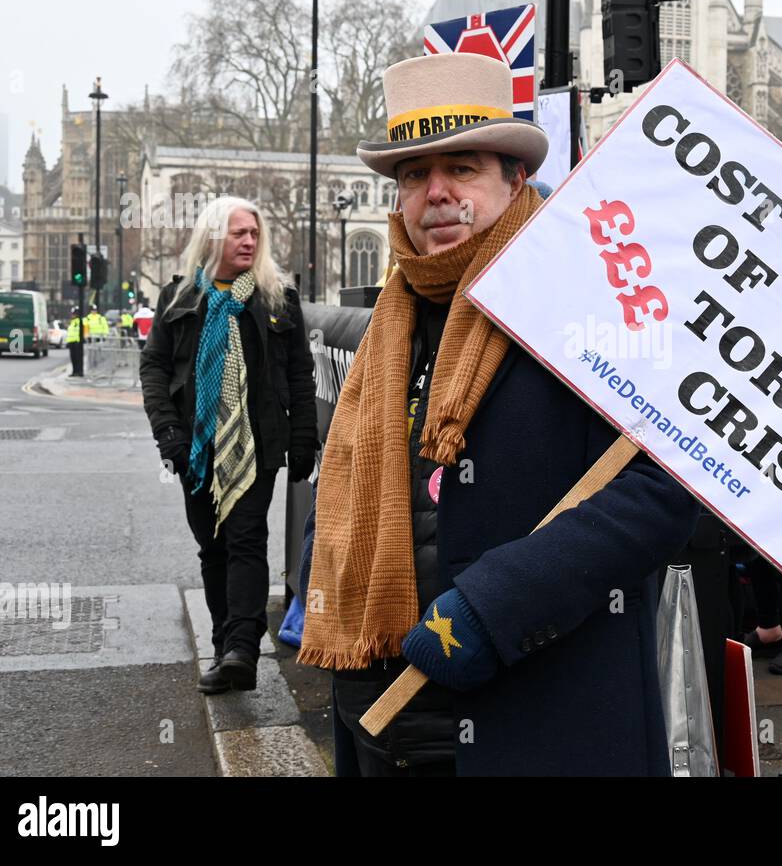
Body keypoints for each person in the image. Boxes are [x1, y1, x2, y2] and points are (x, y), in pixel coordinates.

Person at [297, 52, 699, 776]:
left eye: (464, 168)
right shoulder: (393, 319)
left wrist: (493, 608)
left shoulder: (588, 300)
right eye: (416, 175)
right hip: (386, 722)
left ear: (514, 181)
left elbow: (663, 492)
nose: (437, 194)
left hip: (539, 720)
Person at [140, 196, 318, 694]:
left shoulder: (276, 297)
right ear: (213, 237)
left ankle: (242, 648)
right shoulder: (179, 298)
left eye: (254, 234)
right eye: (238, 233)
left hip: (256, 443)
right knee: (212, 548)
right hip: (195, 447)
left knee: (245, 540)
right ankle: (224, 645)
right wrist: (169, 435)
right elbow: (154, 369)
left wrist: (303, 438)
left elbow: (298, 373)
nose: (248, 241)